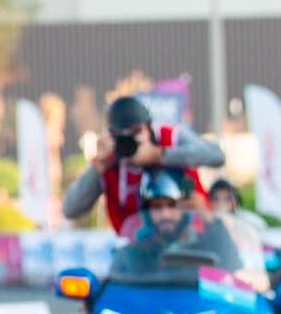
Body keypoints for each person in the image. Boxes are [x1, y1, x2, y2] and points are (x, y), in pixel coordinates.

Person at [63, 95, 224, 231]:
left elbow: (217, 156)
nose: (131, 140)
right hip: (140, 251)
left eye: (136, 131)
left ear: (149, 127)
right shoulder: (109, 162)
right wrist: (98, 167)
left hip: (191, 242)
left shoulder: (169, 139)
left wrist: (160, 155)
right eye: (122, 135)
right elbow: (70, 209)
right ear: (112, 136)